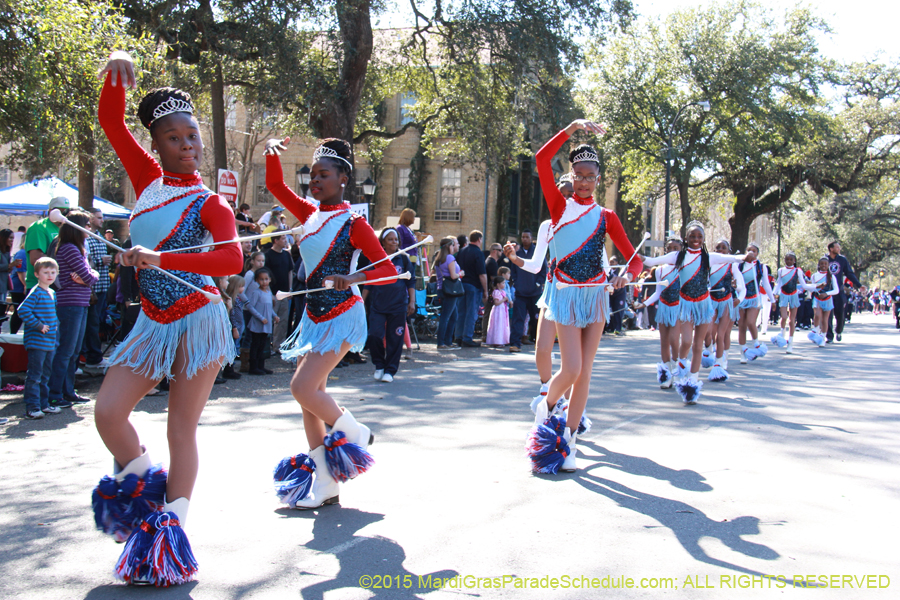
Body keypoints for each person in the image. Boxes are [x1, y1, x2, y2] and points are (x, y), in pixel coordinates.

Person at [90, 52, 242, 586]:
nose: (188, 146)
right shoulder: (145, 178)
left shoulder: (211, 204)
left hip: (199, 318)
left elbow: (231, 261)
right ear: (156, 144)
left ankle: (170, 531)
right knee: (108, 412)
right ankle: (143, 487)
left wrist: (161, 258)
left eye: (193, 137)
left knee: (182, 427)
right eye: (174, 138)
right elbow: (110, 120)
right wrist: (118, 67)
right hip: (153, 319)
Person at [264, 136, 394, 510]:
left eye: (324, 175)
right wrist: (272, 153)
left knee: (302, 387)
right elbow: (275, 186)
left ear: (343, 180)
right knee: (308, 404)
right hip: (313, 315)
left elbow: (385, 269)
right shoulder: (308, 213)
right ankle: (326, 484)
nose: (314, 181)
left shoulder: (354, 223)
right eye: (312, 175)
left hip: (342, 313)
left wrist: (352, 279)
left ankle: (354, 430)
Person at [527, 119, 641, 474]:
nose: (585, 181)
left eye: (592, 176)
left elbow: (634, 260)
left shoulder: (607, 217)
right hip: (564, 296)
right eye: (580, 175)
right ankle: (547, 407)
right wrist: (572, 128)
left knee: (586, 373)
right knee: (571, 368)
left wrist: (627, 276)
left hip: (595, 299)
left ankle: (569, 441)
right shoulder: (558, 209)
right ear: (572, 177)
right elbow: (542, 159)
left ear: (598, 179)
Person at [641, 222, 745, 404]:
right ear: (686, 239)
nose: (696, 240)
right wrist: (633, 254)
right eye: (692, 236)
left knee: (699, 344)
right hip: (686, 304)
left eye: (699, 237)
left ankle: (692, 382)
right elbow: (650, 262)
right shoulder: (677, 256)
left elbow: (735, 259)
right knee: (686, 341)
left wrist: (748, 256)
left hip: (704, 304)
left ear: (703, 239)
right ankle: (681, 365)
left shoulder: (708, 257)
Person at [48, 209, 99, 407]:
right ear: (76, 227)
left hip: (80, 303)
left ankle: (68, 391)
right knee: (66, 350)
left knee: (74, 350)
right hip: (69, 304)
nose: (89, 228)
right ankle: (55, 393)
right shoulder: (69, 248)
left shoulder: (78, 248)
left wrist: (89, 275)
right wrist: (89, 276)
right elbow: (88, 277)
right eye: (86, 225)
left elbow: (88, 274)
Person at [361, 228, 415, 383]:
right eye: (390, 239)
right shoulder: (376, 260)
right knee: (375, 335)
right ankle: (379, 365)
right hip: (378, 305)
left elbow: (410, 281)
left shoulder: (404, 259)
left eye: (396, 239)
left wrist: (412, 301)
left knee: (395, 339)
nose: (394, 242)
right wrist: (362, 301)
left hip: (398, 306)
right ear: (383, 242)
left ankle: (390, 370)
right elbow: (368, 281)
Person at [634, 237, 683, 389]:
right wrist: (644, 303)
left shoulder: (684, 268)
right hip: (663, 307)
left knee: (675, 340)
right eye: (670, 248)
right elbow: (658, 292)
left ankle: (676, 370)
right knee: (664, 342)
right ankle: (666, 374)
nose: (673, 251)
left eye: (676, 248)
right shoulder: (660, 270)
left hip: (678, 308)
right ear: (665, 251)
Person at [19, 257, 60, 419]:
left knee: (45, 375)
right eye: (45, 272)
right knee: (35, 375)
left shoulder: (51, 292)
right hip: (37, 342)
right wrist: (39, 325)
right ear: (37, 274)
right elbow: (23, 311)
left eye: (53, 272)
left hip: (50, 342)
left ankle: (44, 404)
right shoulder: (36, 292)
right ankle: (32, 406)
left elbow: (53, 315)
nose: (50, 275)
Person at [82, 208, 113, 369]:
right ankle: (92, 356)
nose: (102, 220)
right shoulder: (88, 238)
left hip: (102, 286)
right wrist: (101, 261)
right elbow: (86, 262)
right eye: (99, 218)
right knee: (92, 323)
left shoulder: (99, 237)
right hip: (92, 288)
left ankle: (92, 354)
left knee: (97, 321)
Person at [509, 229, 547, 351]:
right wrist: (516, 282)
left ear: (531, 238)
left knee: (536, 319)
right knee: (518, 319)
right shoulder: (517, 253)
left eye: (527, 237)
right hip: (520, 293)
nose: (524, 239)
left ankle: (539, 344)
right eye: (523, 237)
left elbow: (543, 270)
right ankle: (515, 344)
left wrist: (538, 283)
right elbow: (513, 270)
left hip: (534, 293)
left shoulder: (538, 252)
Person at [737, 242, 775, 363]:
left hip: (754, 298)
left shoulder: (760, 266)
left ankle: (756, 344)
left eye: (754, 250)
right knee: (741, 326)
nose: (751, 252)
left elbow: (766, 284)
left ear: (757, 253)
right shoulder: (740, 265)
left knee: (750, 322)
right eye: (749, 250)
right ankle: (743, 352)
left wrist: (772, 299)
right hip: (742, 299)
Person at [24, 196, 68, 292]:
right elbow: (36, 259)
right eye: (61, 212)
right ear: (51, 211)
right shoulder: (39, 227)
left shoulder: (65, 228)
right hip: (40, 287)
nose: (64, 215)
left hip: (59, 286)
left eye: (66, 212)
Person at [771, 251, 809, 354]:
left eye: (791, 259)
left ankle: (790, 343)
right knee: (783, 317)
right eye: (787, 259)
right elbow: (778, 283)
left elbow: (804, 285)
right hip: (783, 295)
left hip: (794, 296)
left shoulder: (798, 271)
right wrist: (773, 295)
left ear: (794, 261)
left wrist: (815, 287)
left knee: (792, 321)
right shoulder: (781, 270)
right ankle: (782, 334)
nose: (789, 261)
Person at [825, 241, 862, 342]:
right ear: (831, 249)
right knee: (828, 314)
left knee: (840, 313)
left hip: (839, 291)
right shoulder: (824, 260)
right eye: (837, 247)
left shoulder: (842, 260)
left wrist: (859, 285)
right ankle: (829, 336)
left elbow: (849, 273)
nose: (839, 249)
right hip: (828, 291)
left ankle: (839, 330)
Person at [456, 230, 488, 347]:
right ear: (479, 239)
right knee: (471, 313)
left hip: (461, 284)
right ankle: (467, 337)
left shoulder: (462, 251)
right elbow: (482, 274)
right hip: (474, 286)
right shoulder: (478, 253)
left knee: (461, 312)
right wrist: (485, 290)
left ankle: (458, 337)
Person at [264, 233, 294, 349]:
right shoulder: (268, 255)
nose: (285, 240)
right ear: (275, 240)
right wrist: (269, 292)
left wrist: (290, 289)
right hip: (272, 294)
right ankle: (266, 347)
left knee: (283, 321)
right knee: (271, 320)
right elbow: (265, 274)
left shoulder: (286, 254)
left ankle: (278, 345)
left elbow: (290, 271)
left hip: (285, 293)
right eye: (283, 238)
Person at [433, 236, 463, 349]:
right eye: (452, 245)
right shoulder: (450, 258)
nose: (454, 247)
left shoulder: (439, 258)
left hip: (441, 289)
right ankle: (442, 342)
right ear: (449, 246)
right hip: (450, 290)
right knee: (446, 316)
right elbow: (453, 275)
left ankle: (448, 341)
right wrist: (461, 274)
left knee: (453, 316)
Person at [245, 268, 277, 374]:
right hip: (258, 323)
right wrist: (260, 317)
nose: (264, 282)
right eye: (261, 279)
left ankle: (261, 365)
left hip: (266, 323)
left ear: (270, 280)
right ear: (257, 281)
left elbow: (269, 308)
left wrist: (274, 316)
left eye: (266, 279)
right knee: (255, 344)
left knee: (263, 345)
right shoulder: (256, 293)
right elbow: (250, 306)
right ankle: (253, 367)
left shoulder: (268, 293)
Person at [808, 257, 840, 347]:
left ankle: (822, 338)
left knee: (825, 320)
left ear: (828, 265)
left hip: (827, 299)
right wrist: (815, 289)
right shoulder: (814, 276)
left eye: (825, 264)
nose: (823, 266)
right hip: (817, 298)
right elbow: (812, 287)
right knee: (817, 315)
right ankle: (816, 332)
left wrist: (826, 293)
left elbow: (836, 290)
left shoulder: (831, 276)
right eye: (822, 264)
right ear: (819, 265)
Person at [223, 275, 247, 379]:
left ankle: (230, 369)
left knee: (234, 348)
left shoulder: (237, 298)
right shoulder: (232, 299)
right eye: (241, 286)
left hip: (238, 326)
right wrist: (235, 328)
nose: (243, 288)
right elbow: (232, 315)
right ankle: (228, 370)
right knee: (231, 348)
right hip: (234, 328)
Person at [0, 228, 23, 324]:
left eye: (13, 238)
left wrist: (10, 267)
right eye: (10, 238)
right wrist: (10, 265)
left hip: (4, 287)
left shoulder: (6, 252)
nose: (12, 240)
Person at [8, 231, 28, 333]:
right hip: (18, 287)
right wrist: (25, 285)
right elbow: (21, 272)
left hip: (21, 286)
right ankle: (13, 333)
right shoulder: (22, 253)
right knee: (19, 311)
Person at [484, 275, 511, 346]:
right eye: (502, 283)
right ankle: (497, 341)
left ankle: (503, 340)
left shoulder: (503, 292)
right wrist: (504, 299)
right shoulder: (496, 292)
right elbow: (496, 303)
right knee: (498, 324)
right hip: (498, 311)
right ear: (498, 284)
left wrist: (506, 300)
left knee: (503, 324)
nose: (504, 284)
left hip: (503, 310)